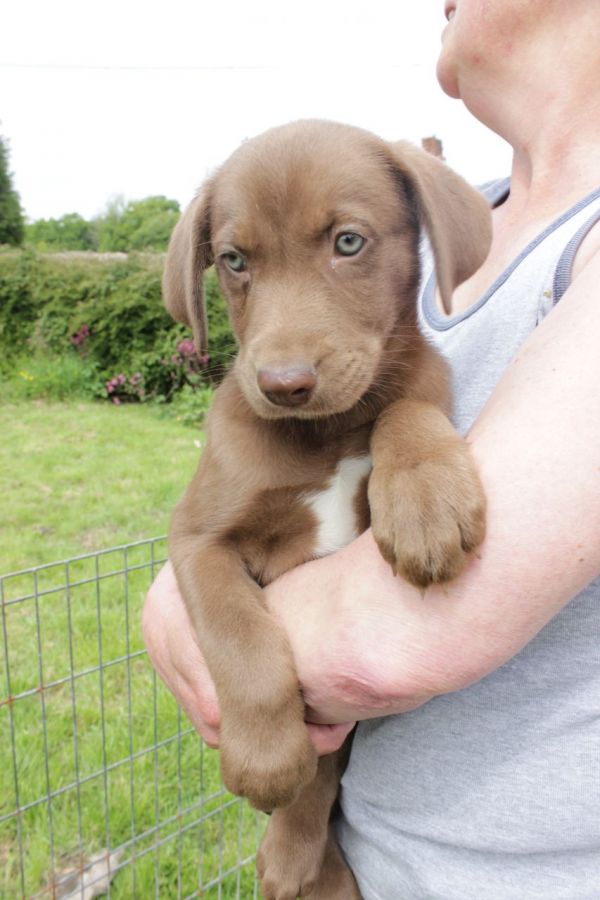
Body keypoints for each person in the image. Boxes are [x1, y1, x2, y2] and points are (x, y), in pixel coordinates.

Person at [142, 1, 600, 896]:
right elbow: (205, 553)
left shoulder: (441, 224)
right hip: (362, 857)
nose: (279, 351)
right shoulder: (476, 214)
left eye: (348, 244)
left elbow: (383, 650)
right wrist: (190, 594)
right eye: (237, 264)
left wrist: (412, 435)